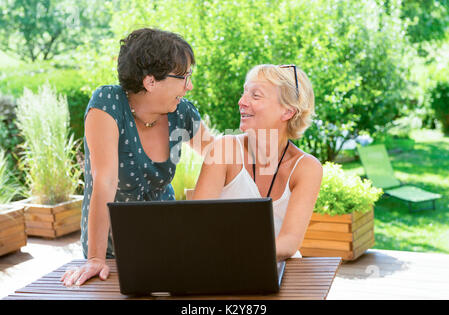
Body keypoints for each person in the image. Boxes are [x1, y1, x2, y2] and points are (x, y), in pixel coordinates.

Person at [61, 28, 212, 286]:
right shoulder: (108, 103)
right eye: (183, 77)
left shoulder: (182, 112)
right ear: (150, 81)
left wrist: (197, 213)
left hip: (167, 245)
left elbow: (218, 155)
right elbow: (105, 180)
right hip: (111, 251)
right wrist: (96, 258)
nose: (190, 86)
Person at [192, 64, 322, 261]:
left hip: (279, 268)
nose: (241, 102)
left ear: (287, 112)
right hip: (220, 264)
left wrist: (244, 256)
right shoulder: (223, 150)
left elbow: (289, 242)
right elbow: (196, 224)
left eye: (255, 95)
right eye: (244, 93)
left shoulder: (306, 168)